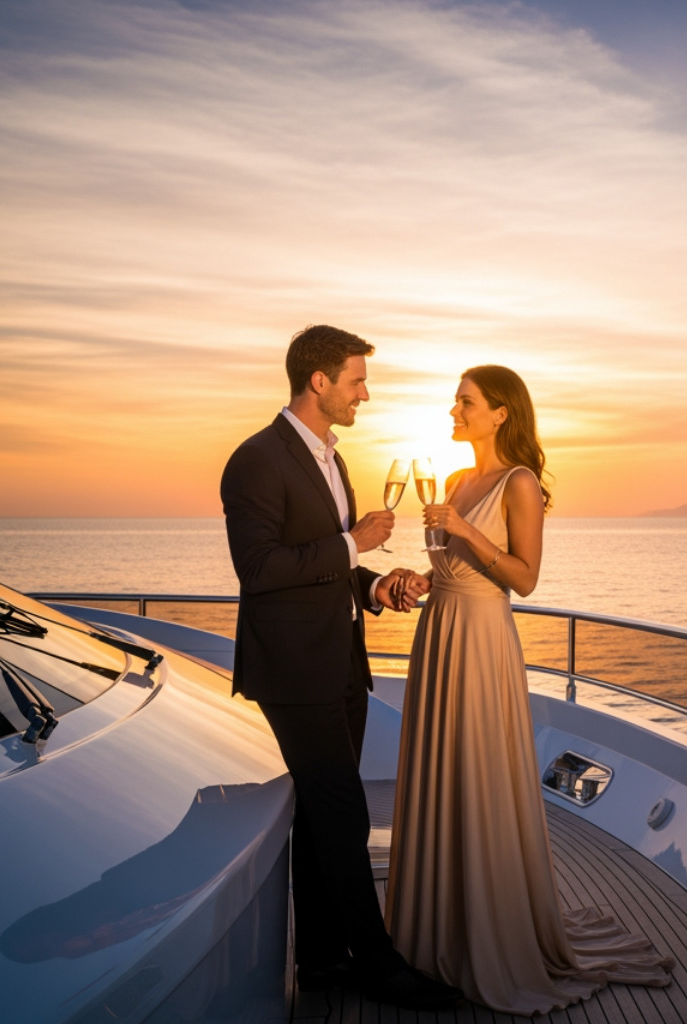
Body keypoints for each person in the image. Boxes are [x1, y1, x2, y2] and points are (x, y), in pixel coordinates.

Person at [385, 365, 674, 1014]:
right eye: (455, 400)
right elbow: (448, 570)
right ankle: (438, 930)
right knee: (441, 774)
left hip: (483, 641)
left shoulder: (519, 485)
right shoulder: (457, 481)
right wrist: (414, 578)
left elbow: (524, 577)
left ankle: (491, 933)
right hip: (439, 633)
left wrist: (463, 531)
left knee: (479, 774)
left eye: (465, 402)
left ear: (500, 414)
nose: (453, 410)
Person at [219, 325, 460, 1012]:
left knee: (324, 815)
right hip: (295, 671)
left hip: (342, 661)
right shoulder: (256, 460)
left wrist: (375, 585)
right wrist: (354, 542)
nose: (365, 393)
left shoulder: (334, 458)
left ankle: (322, 961)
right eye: (356, 380)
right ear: (318, 382)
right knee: (342, 811)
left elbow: (332, 564)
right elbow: (260, 570)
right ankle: (379, 964)